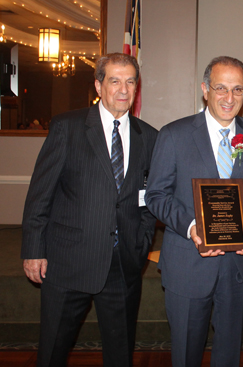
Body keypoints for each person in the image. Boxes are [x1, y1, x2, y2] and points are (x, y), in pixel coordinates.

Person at [21, 53, 158, 367]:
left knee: (120, 355)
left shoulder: (149, 137)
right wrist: (33, 249)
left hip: (122, 266)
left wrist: (141, 244)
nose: (123, 89)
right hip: (68, 263)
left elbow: (150, 198)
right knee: (53, 351)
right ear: (99, 85)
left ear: (137, 87)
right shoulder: (67, 127)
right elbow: (40, 194)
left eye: (130, 81)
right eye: (114, 80)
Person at [145, 56, 243, 367]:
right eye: (220, 88)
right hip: (188, 265)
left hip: (238, 268)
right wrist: (192, 227)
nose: (229, 98)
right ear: (205, 89)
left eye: (238, 90)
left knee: (229, 354)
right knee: (187, 354)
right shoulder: (173, 135)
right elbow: (156, 196)